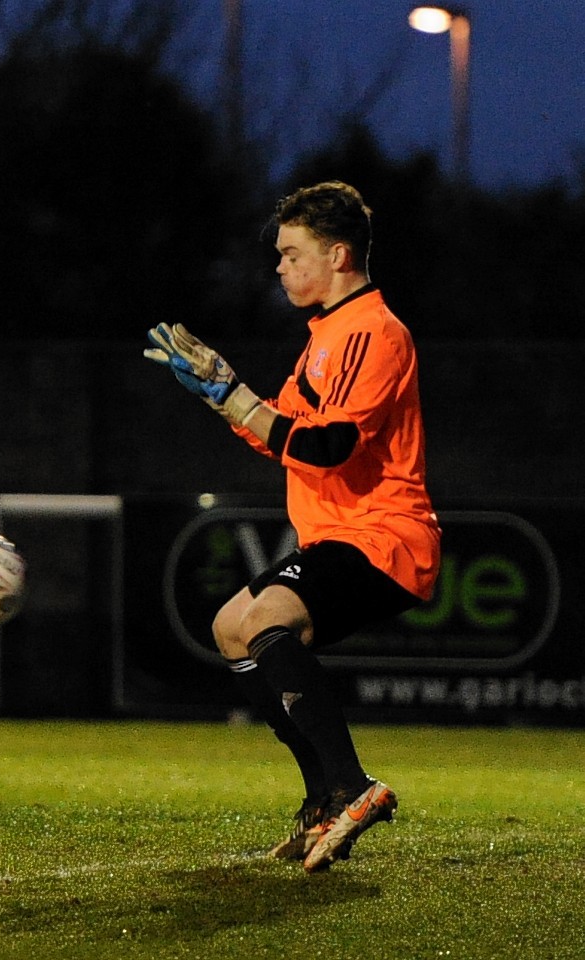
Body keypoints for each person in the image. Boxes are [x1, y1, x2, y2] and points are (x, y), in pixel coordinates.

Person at [143, 180, 440, 872]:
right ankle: (322, 800)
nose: (278, 266)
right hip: (338, 536)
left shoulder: (374, 331)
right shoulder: (325, 337)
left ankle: (353, 787)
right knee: (228, 625)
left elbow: (328, 447)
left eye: (291, 253)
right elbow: (278, 432)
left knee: (266, 617)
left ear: (338, 254)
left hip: (383, 536)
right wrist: (222, 393)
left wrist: (238, 398)